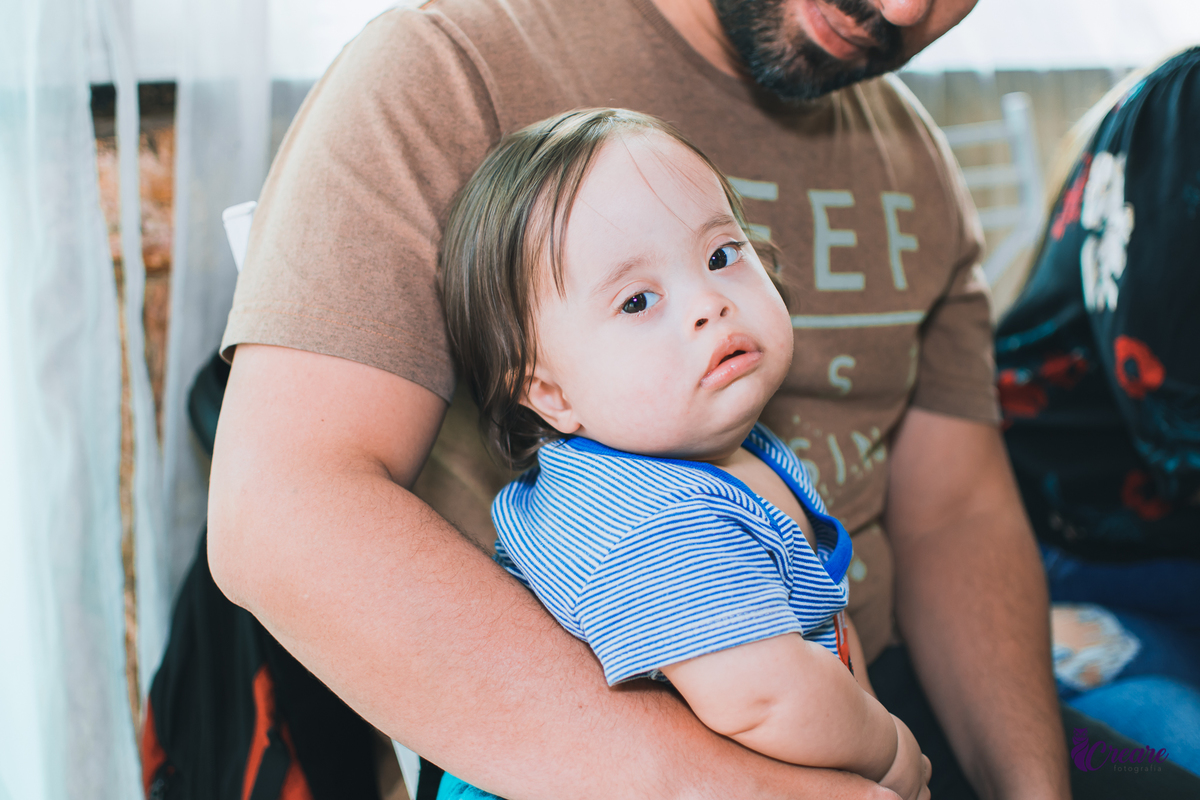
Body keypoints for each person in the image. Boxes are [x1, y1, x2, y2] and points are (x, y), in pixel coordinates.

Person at [207, 0, 1186, 796]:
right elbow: (281, 509)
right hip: (629, 746)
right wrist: (722, 783)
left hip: (873, 696)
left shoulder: (916, 160)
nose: (903, 7)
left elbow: (957, 512)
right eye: (638, 298)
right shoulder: (447, 64)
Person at [434, 107, 930, 800]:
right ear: (549, 393)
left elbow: (821, 626)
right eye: (638, 301)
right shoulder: (654, 524)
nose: (708, 302)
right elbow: (763, 701)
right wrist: (888, 749)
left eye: (722, 255)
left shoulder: (722, 446)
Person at [996, 46, 1200, 775]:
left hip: (1169, 545)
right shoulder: (1188, 103)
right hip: (1061, 543)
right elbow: (1179, 421)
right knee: (1173, 738)